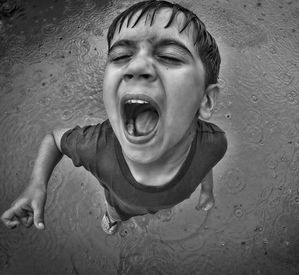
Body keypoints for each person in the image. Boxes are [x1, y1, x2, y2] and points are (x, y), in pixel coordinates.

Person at [1, 0, 227, 235]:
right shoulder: (97, 146)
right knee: (116, 211)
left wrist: (206, 190)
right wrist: (38, 184)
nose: (136, 65)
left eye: (169, 56)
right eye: (120, 56)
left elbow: (206, 160)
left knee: (159, 204)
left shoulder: (215, 142)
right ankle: (112, 218)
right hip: (121, 203)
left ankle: (156, 206)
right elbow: (53, 140)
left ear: (206, 101)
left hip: (173, 196)